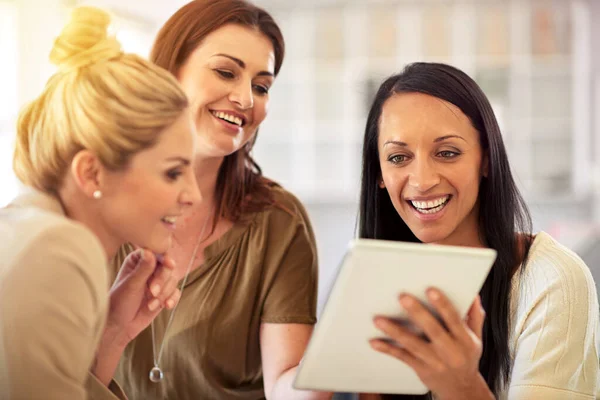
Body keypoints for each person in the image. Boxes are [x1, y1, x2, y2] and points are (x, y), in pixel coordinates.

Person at [113, 1, 330, 399]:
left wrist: (331, 365)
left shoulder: (278, 222)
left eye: (262, 86)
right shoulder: (97, 204)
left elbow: (286, 387)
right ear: (169, 72)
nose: (246, 99)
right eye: (225, 72)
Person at [356, 62, 599, 400]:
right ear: (379, 173)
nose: (423, 181)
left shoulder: (550, 279)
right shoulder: (374, 290)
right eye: (398, 158)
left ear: (486, 159)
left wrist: (463, 387)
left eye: (447, 153)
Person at [0, 6, 200, 399]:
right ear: (91, 173)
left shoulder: (25, 223)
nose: (193, 194)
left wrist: (113, 333)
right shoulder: (60, 249)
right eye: (173, 172)